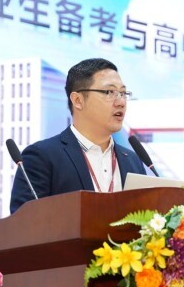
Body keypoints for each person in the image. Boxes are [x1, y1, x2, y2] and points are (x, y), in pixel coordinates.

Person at [10, 58, 146, 213]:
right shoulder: (42, 157)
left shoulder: (133, 160)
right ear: (78, 100)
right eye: (109, 92)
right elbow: (23, 223)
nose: (121, 102)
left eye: (123, 93)